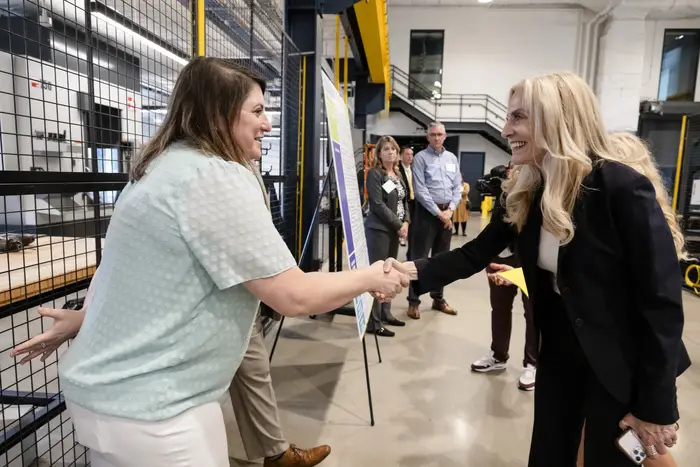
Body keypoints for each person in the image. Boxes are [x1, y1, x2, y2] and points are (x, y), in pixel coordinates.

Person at [8, 57, 409, 467]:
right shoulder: (213, 177)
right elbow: (294, 295)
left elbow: (128, 266)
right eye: (256, 111)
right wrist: (371, 275)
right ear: (219, 114)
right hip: (156, 408)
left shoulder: (156, 167)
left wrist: (88, 320)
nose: (267, 124)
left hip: (111, 400)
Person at [389, 72, 689, 466]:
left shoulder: (619, 187)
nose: (505, 127)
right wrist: (406, 273)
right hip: (561, 356)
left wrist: (656, 405)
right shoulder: (528, 190)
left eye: (518, 117)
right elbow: (473, 253)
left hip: (618, 366)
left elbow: (661, 303)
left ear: (556, 119)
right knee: (550, 453)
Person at [11, 306, 331, 467]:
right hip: (140, 399)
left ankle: (275, 452)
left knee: (246, 362)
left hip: (145, 402)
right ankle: (276, 453)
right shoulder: (157, 194)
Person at [406, 122, 462, 319]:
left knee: (442, 258)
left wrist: (451, 210)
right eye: (433, 135)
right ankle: (413, 301)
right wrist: (439, 213)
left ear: (445, 135)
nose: (437, 138)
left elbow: (458, 186)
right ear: (427, 137)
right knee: (418, 258)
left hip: (447, 212)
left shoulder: (452, 158)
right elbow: (420, 190)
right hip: (427, 214)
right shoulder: (421, 159)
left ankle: (438, 298)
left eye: (440, 134)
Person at [364, 136, 410, 337]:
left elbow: (405, 201)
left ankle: (386, 313)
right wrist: (399, 224)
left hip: (394, 231)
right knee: (377, 276)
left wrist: (406, 222)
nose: (390, 152)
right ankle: (374, 322)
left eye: (393, 149)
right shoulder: (375, 175)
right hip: (379, 231)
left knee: (390, 273)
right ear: (379, 154)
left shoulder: (398, 175)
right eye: (386, 149)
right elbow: (377, 204)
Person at [398, 147, 414, 248]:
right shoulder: (397, 169)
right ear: (401, 156)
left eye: (411, 154)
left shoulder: (414, 169)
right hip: (403, 201)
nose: (410, 157)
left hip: (413, 200)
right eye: (407, 154)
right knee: (402, 221)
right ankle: (401, 238)